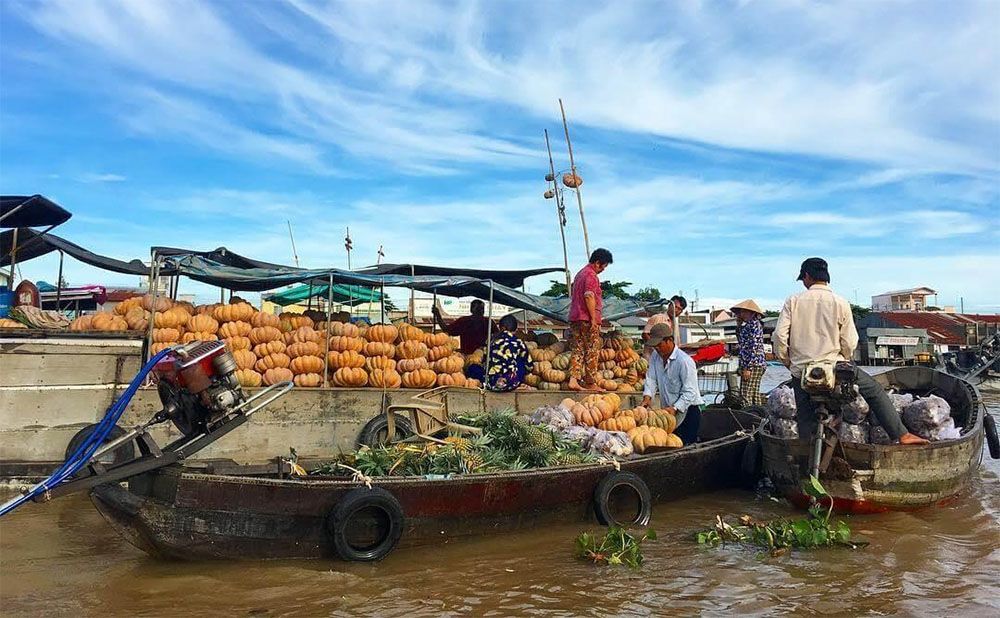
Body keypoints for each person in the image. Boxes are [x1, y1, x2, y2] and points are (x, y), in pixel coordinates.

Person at [773, 257, 927, 445]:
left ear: (807, 276)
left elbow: (780, 337)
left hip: (802, 371)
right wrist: (843, 359)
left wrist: (789, 363)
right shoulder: (840, 302)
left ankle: (806, 458)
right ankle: (902, 435)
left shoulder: (793, 301)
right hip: (836, 368)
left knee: (805, 417)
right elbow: (850, 341)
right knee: (875, 392)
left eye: (803, 278)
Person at [640, 323, 705, 445]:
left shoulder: (684, 361)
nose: (657, 348)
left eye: (659, 345)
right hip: (669, 413)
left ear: (669, 340)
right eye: (654, 346)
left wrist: (675, 408)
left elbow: (690, 392)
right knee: (669, 446)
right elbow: (651, 378)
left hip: (687, 411)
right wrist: (647, 397)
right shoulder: (655, 356)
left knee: (686, 448)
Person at [568, 248, 613, 391]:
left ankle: (573, 380)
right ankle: (590, 382)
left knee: (578, 349)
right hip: (587, 318)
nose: (603, 270)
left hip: (575, 317)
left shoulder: (580, 274)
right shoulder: (591, 275)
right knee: (592, 350)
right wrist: (593, 318)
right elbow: (589, 296)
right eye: (604, 266)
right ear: (598, 263)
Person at [731, 299, 767, 408]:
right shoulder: (749, 325)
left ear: (752, 313)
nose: (742, 314)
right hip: (757, 364)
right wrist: (739, 325)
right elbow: (742, 342)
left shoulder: (754, 325)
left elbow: (753, 347)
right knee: (754, 395)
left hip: (753, 364)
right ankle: (759, 417)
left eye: (744, 312)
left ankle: (748, 418)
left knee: (746, 394)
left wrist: (748, 368)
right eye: (741, 312)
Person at [484, 314, 534, 391]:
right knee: (521, 362)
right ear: (515, 329)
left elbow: (484, 360)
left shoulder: (490, 341)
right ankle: (505, 381)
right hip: (511, 382)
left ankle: (498, 381)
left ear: (500, 327)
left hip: (490, 382)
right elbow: (529, 366)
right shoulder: (518, 342)